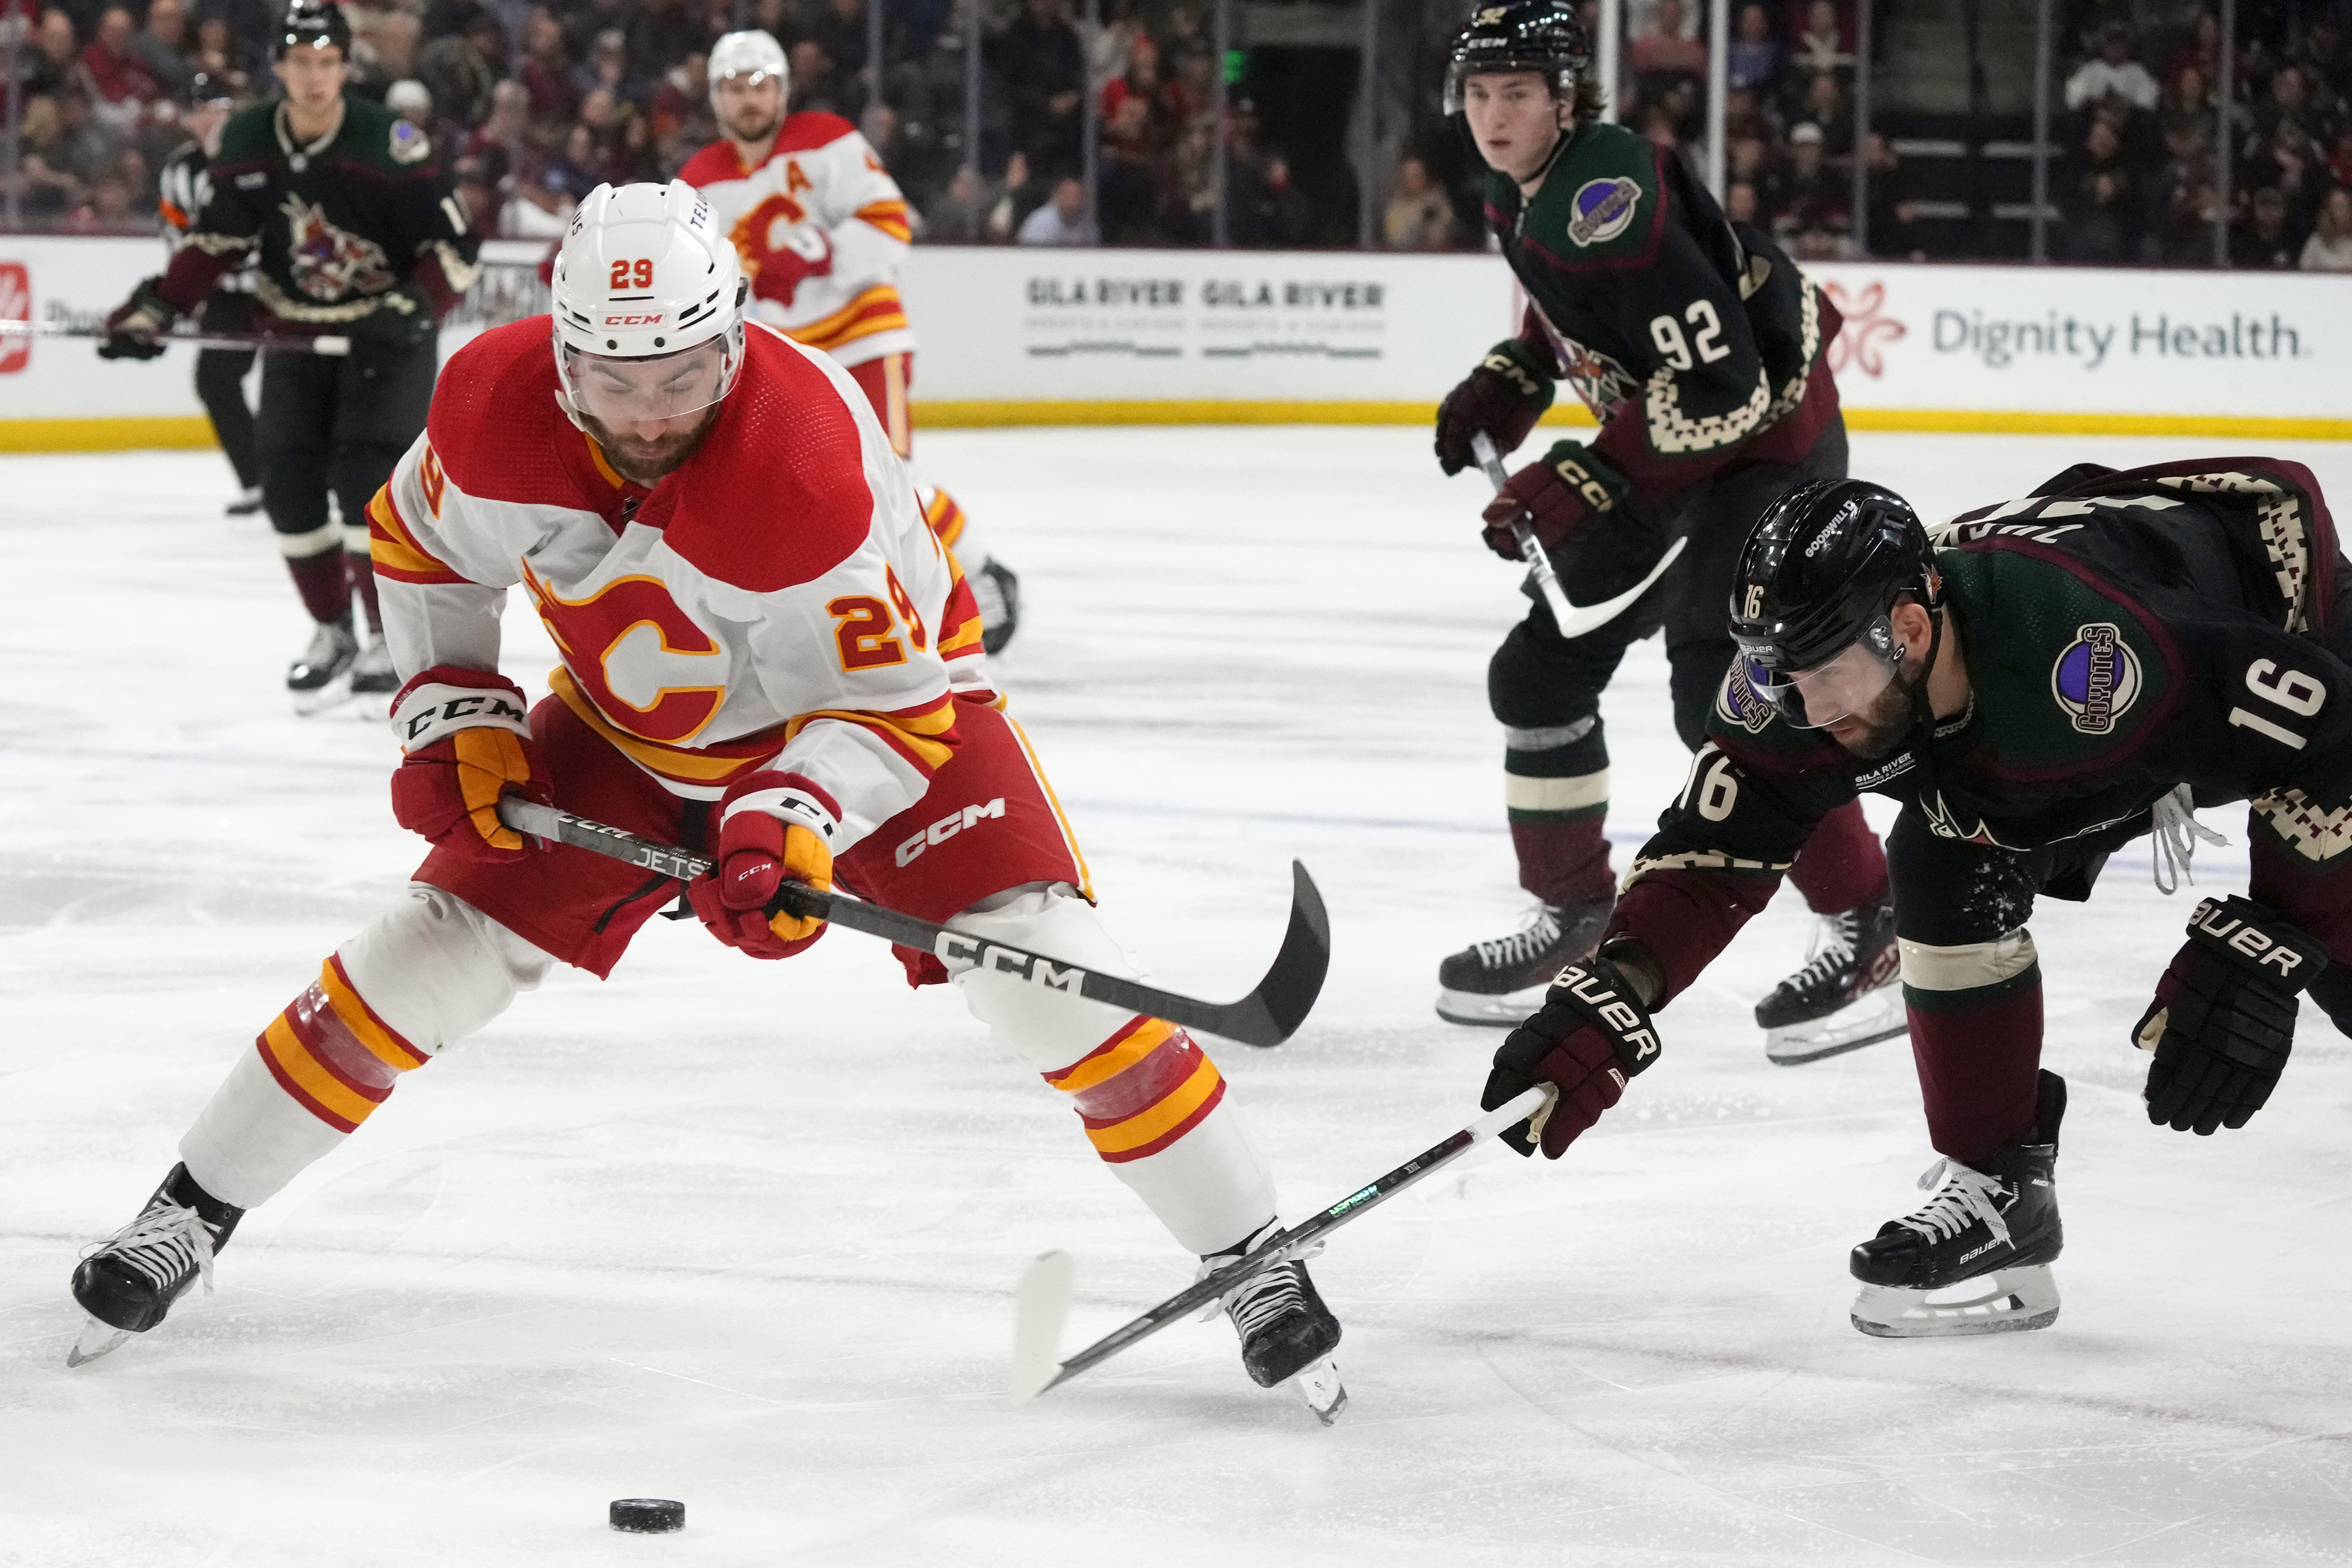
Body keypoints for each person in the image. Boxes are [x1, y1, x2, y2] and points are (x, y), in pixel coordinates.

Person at [65, 180, 1346, 1420]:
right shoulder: (491, 405)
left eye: (680, 373)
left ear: (732, 336)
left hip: (884, 717)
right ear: (564, 351)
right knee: (430, 952)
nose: (648, 409)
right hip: (637, 721)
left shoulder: (800, 464)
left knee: (1037, 972)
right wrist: (457, 708)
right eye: (614, 377)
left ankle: (1254, 1256)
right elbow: (421, 550)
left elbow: (893, 708)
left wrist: (790, 811)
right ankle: (192, 1211)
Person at [1480, 465, 2352, 1337]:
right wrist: (1613, 989)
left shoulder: (2095, 650)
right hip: (2047, 719)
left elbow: (2333, 740)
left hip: (2277, 615)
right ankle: (2002, 1190)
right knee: (1941, 859)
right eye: (1780, 676)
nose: (1805, 709)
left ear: (1906, 627)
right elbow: (1712, 853)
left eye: (1822, 674)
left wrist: (2270, 938)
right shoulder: (1793, 684)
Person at [1427, 1, 1895, 1064]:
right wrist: (1513, 378)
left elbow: (1729, 375)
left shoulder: (1611, 194)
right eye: (1479, 94)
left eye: (1517, 94)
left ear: (1564, 97)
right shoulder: (1522, 188)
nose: (1494, 116)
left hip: (1766, 447)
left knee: (1716, 694)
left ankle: (1876, 926)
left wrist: (1592, 473)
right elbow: (1583, 314)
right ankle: (1576, 915)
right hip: (1669, 447)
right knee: (1539, 679)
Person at [98, 0, 480, 715]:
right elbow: (216, 242)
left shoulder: (388, 143)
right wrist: (157, 307)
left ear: (345, 67)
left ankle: (383, 637)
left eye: (328, 63)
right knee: (289, 490)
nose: (314, 77)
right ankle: (332, 630)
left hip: (383, 340)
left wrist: (416, 306)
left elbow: (457, 244)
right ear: (279, 67)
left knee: (368, 488)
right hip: (297, 335)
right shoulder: (246, 140)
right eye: (301, 63)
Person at [679, 29, 1022, 655]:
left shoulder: (827, 140)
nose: (748, 100)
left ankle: (984, 572)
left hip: (863, 336)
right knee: (803, 489)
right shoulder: (700, 177)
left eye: (760, 85)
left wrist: (822, 253)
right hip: (785, 358)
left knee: (890, 480)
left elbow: (892, 225)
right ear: (715, 98)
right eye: (734, 88)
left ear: (783, 91)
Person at [155, 72, 263, 516]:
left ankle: (313, 476)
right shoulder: (179, 171)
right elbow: (175, 229)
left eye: (220, 107)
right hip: (227, 297)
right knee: (214, 380)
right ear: (188, 120)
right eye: (203, 110)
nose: (213, 118)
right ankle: (260, 481)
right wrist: (187, 289)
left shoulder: (259, 156)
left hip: (278, 291)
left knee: (298, 382)